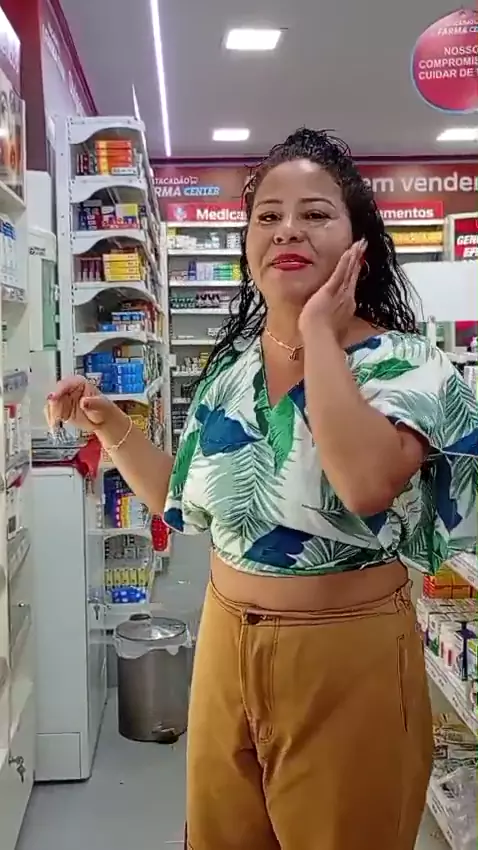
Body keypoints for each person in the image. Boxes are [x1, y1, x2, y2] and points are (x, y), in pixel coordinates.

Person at [46, 128, 477, 850]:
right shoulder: (231, 372)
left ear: (359, 243)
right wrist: (111, 424)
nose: (288, 230)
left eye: (316, 214)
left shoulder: (406, 363)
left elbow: (365, 482)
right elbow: (185, 501)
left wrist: (319, 334)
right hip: (222, 641)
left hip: (346, 656)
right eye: (268, 215)